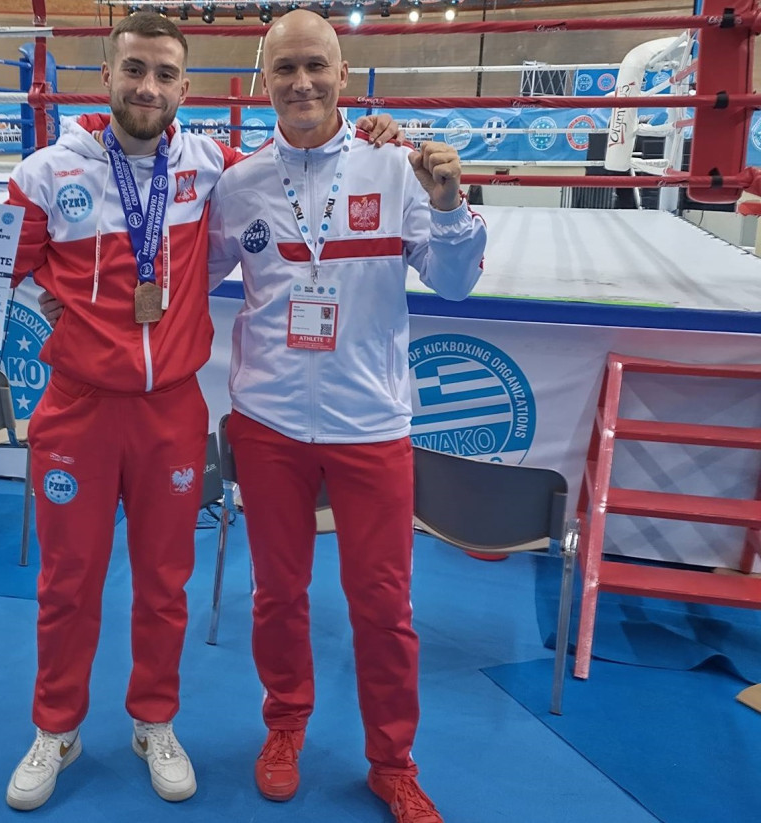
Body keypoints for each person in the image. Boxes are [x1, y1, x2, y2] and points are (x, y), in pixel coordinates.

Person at [0, 12, 399, 813]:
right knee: (68, 581)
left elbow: (300, 164)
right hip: (78, 412)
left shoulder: (214, 167)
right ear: (110, 75)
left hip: (170, 412)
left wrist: (371, 135)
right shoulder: (47, 172)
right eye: (135, 70)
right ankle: (56, 726)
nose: (148, 87)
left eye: (165, 74)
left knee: (166, 584)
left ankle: (154, 719)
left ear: (185, 88)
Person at [205, 10, 487, 823]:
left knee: (384, 603)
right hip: (268, 421)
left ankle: (392, 759)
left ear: (344, 72)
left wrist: (450, 202)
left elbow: (458, 282)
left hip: (371, 423)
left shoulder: (396, 166)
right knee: (277, 593)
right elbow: (178, 274)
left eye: (314, 67)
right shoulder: (239, 184)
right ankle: (285, 725)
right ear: (262, 81)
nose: (301, 83)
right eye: (283, 68)